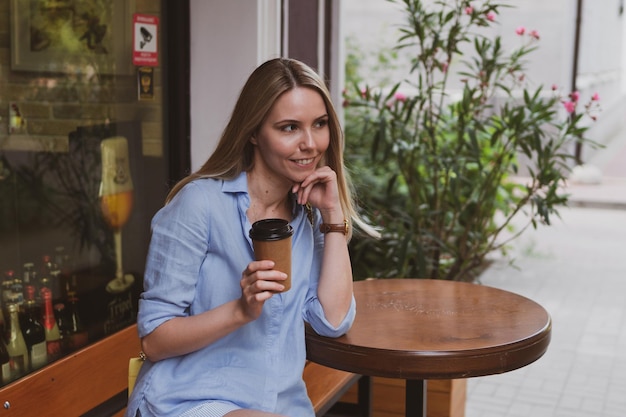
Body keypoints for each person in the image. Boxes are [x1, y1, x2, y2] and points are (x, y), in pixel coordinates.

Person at [125, 57, 379, 417]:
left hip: (279, 406)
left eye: (319, 124)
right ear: (254, 133)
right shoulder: (200, 204)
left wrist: (333, 219)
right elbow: (154, 341)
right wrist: (241, 310)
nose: (310, 143)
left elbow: (332, 320)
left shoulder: (307, 215)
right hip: (189, 399)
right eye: (289, 128)